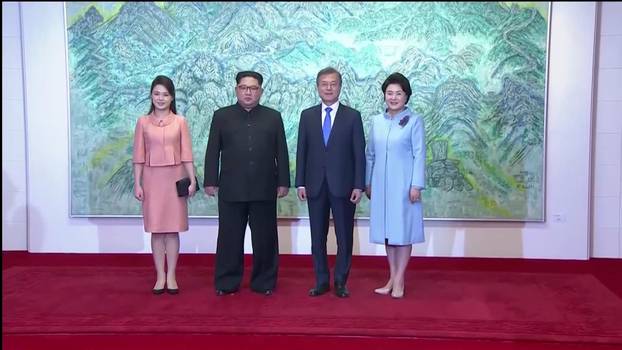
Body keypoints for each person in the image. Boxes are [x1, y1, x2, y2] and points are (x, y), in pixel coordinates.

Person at [204, 71, 290, 296]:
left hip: (264, 188)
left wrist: (283, 182)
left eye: (253, 88)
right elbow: (213, 150)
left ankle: (264, 282)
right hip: (231, 189)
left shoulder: (273, 117)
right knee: (229, 238)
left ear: (260, 91)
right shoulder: (222, 116)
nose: (248, 92)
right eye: (243, 87)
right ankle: (227, 282)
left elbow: (281, 151)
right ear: (236, 90)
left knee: (265, 239)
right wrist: (210, 180)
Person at [295, 67, 366, 298]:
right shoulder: (307, 115)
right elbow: (302, 151)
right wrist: (300, 183)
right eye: (324, 84)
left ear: (340, 87)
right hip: (314, 185)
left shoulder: (352, 116)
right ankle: (321, 280)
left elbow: (359, 153)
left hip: (344, 186)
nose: (328, 88)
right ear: (317, 87)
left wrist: (359, 185)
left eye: (333, 84)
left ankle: (340, 282)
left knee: (344, 237)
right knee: (318, 237)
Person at [132, 75, 197, 295]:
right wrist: (137, 183)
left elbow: (187, 154)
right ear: (151, 95)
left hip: (175, 178)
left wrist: (193, 180)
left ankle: (172, 276)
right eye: (157, 93)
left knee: (172, 229)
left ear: (172, 97)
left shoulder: (180, 121)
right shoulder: (142, 122)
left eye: (165, 94)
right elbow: (138, 155)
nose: (161, 98)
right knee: (157, 231)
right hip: (151, 180)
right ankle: (160, 275)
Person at [365, 72, 426, 299]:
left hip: (404, 186)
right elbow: (369, 154)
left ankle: (399, 279)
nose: (393, 97)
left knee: (404, 233)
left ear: (406, 96)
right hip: (381, 186)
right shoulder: (376, 122)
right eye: (389, 93)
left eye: (398, 93)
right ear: (384, 96)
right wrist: (367, 182)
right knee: (388, 234)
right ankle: (391, 277)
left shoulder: (414, 121)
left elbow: (420, 154)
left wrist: (416, 185)